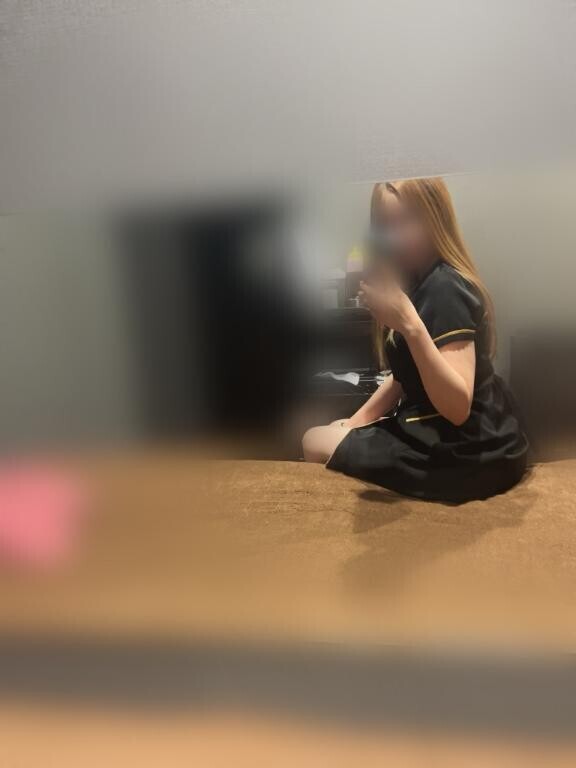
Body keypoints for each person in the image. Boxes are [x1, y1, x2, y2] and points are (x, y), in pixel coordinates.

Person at [302, 178, 528, 503]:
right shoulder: (416, 280)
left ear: (435, 216)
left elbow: (458, 408)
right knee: (329, 432)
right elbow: (403, 376)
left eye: (408, 220)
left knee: (313, 440)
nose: (396, 237)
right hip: (458, 436)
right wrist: (355, 422)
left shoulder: (444, 288)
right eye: (385, 225)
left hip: (468, 451)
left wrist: (410, 325)